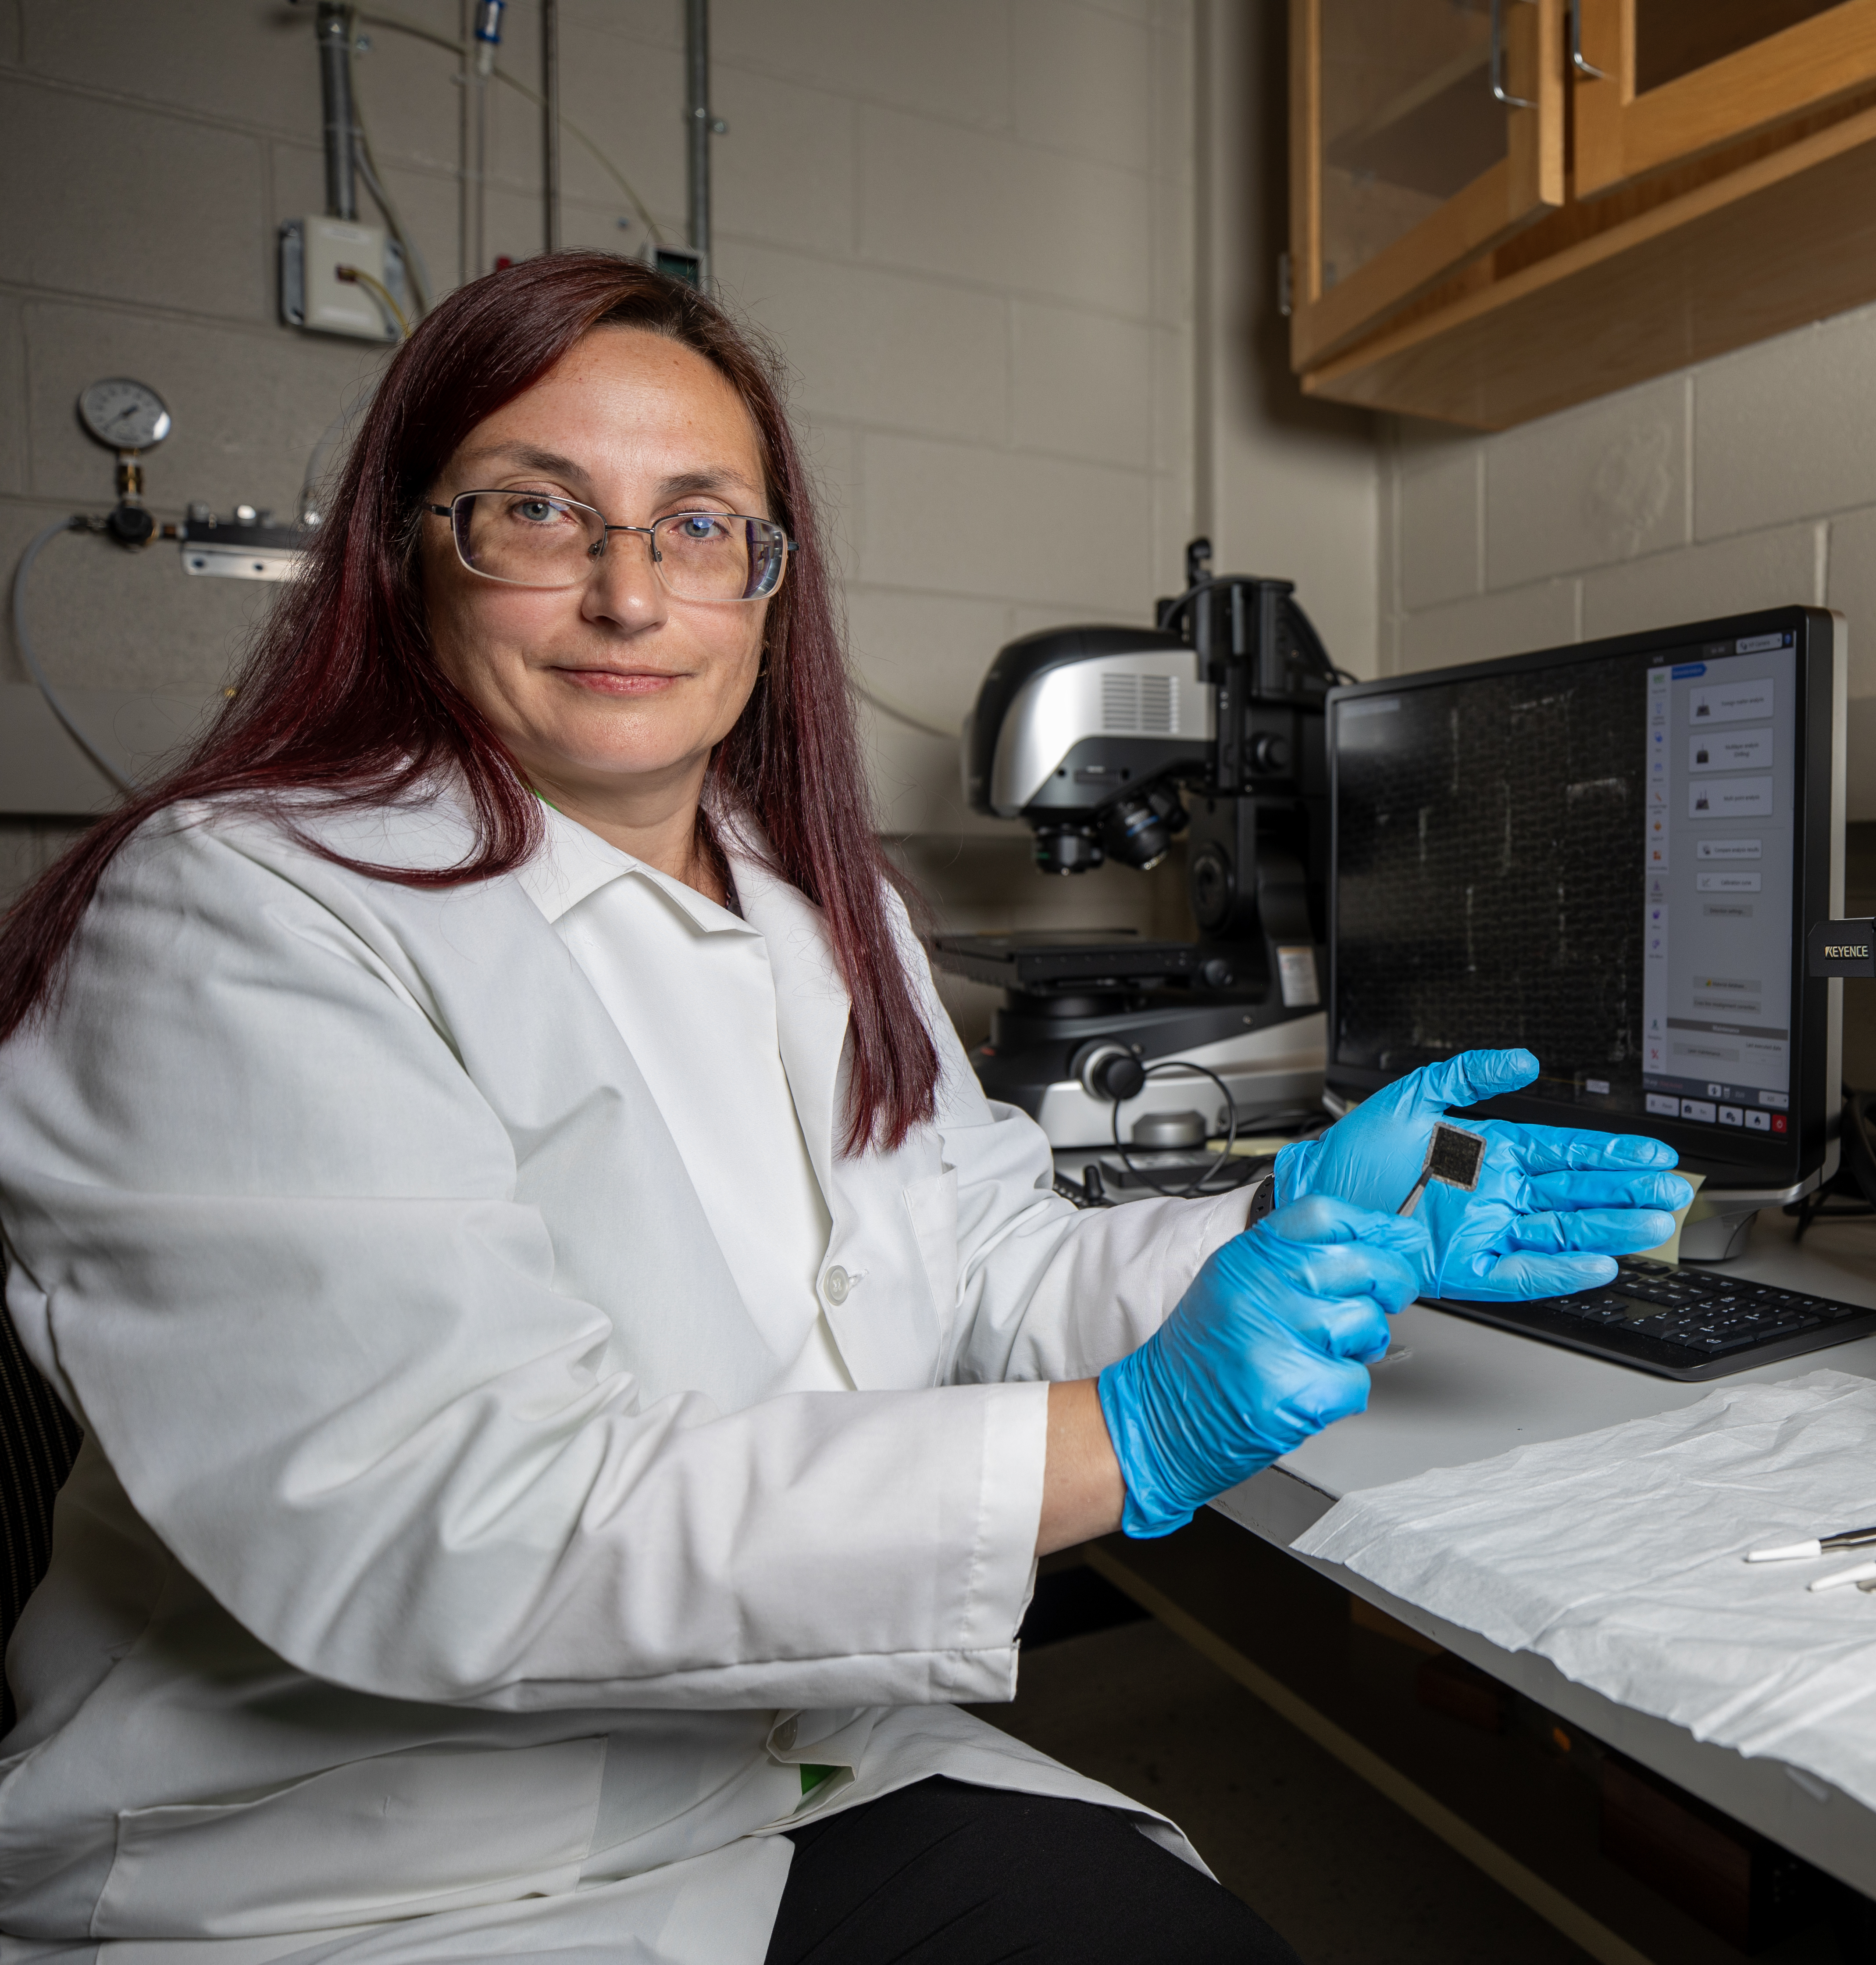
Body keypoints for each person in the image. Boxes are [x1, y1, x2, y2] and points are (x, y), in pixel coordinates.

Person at [0, 254, 1688, 1965]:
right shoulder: (241, 913)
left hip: (775, 1776)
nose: (630, 596)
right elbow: (459, 1516)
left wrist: (1283, 1224)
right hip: (355, 1877)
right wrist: (1130, 1437)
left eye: (699, 525)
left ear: (770, 581)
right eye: (538, 511)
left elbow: (979, 1249)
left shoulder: (816, 909)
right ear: (406, 551)